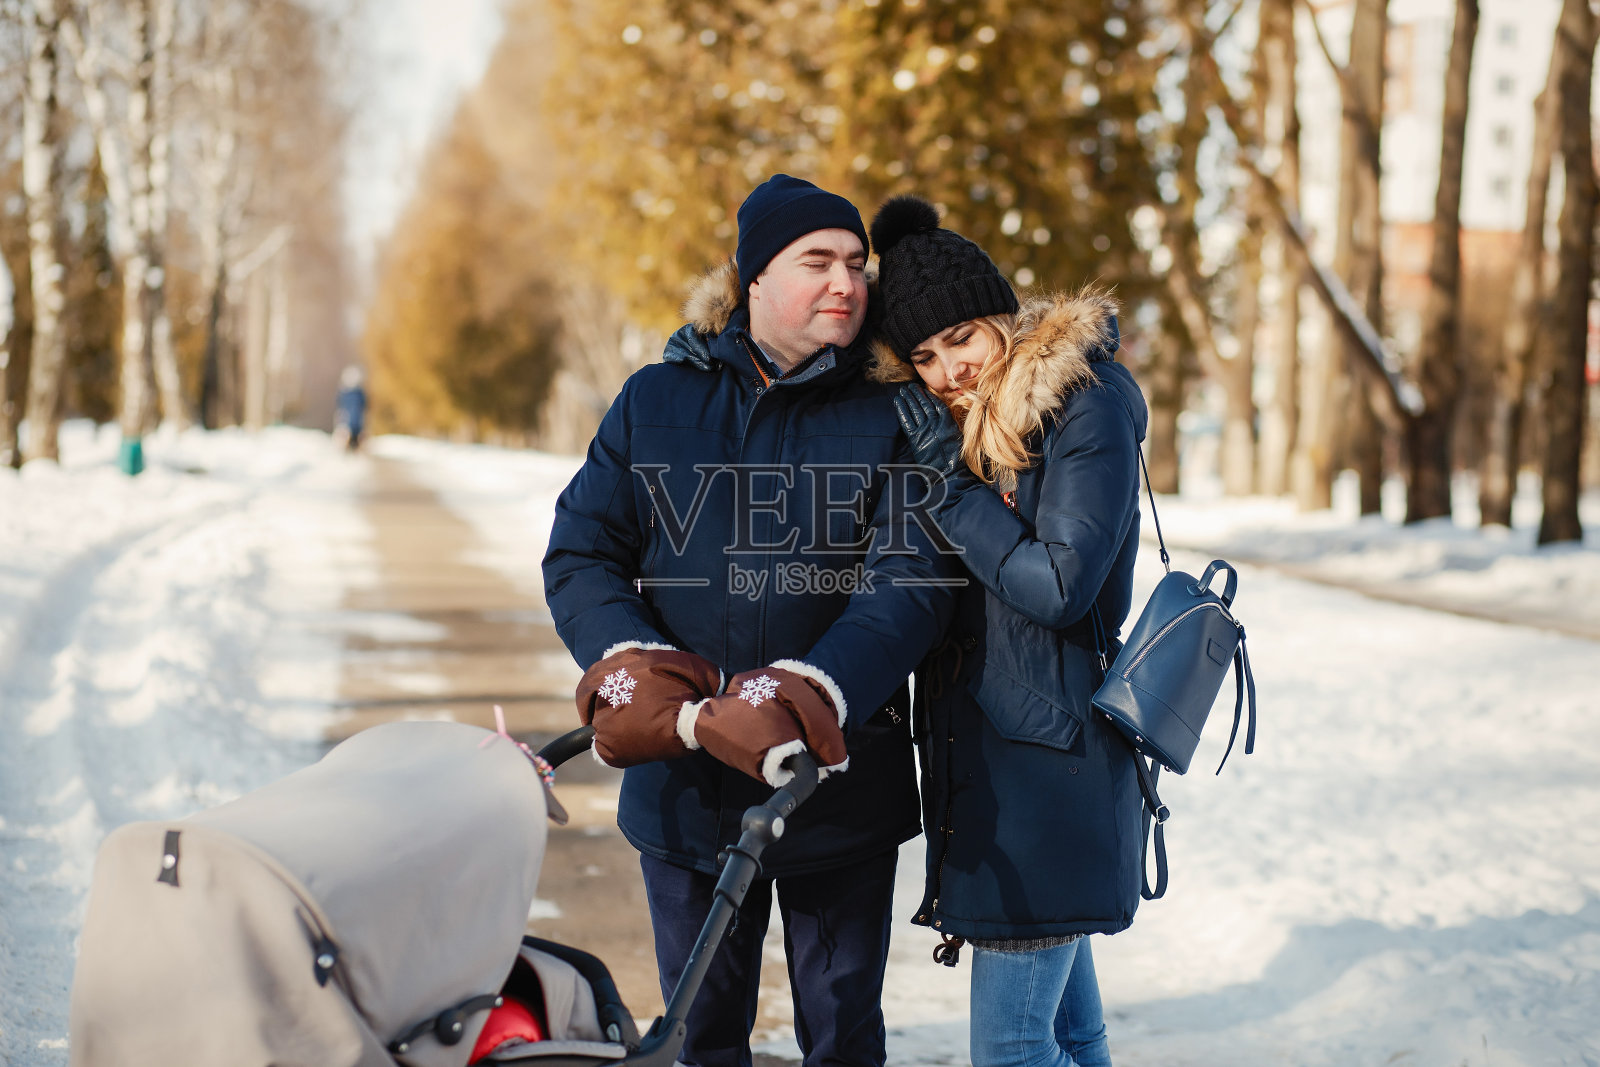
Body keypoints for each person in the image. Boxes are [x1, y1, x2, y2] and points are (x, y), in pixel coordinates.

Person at [542, 175, 955, 1067]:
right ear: (756, 278)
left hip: (838, 783)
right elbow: (583, 551)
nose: (847, 281)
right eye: (819, 261)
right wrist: (632, 659)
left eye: (856, 263)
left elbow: (912, 580)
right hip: (684, 789)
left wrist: (810, 687)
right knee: (702, 1034)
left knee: (844, 1037)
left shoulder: (894, 415)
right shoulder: (656, 400)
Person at [865, 195, 1147, 1067]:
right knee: (1071, 1035)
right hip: (998, 765)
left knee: (1014, 1052)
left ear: (999, 317)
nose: (947, 369)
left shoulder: (1083, 405)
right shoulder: (977, 428)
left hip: (1046, 775)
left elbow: (1061, 584)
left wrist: (950, 489)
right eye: (922, 355)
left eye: (961, 340)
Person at [335, 366, 368, 451]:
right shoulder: (345, 393)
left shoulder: (357, 393)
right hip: (348, 424)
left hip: (356, 424)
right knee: (345, 440)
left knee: (356, 442)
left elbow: (363, 408)